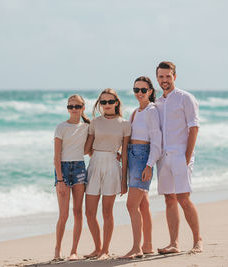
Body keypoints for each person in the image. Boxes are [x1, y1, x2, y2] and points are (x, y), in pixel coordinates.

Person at [155, 61, 203, 254]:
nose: (164, 80)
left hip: (181, 155)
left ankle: (197, 240)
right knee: (169, 199)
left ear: (174, 76)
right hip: (163, 157)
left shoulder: (186, 98)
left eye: (168, 76)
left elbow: (194, 128)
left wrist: (186, 157)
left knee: (183, 198)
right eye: (161, 76)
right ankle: (174, 243)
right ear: (157, 78)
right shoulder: (157, 102)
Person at [84, 88, 131, 260]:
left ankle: (105, 250)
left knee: (107, 212)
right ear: (100, 104)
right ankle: (97, 248)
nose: (107, 105)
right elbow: (87, 149)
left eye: (110, 101)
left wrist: (124, 179)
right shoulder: (95, 123)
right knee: (89, 212)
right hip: (94, 164)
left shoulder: (125, 124)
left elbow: (124, 153)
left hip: (112, 165)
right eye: (103, 102)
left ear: (117, 102)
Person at [121, 76, 162, 259]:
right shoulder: (136, 112)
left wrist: (149, 165)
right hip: (132, 156)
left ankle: (136, 247)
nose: (139, 93)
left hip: (143, 157)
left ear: (150, 92)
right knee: (143, 205)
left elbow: (156, 140)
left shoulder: (152, 111)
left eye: (143, 90)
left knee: (131, 205)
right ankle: (147, 245)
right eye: (136, 89)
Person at [53, 94, 90, 260]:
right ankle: (57, 250)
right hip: (63, 168)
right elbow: (56, 156)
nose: (73, 109)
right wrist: (60, 180)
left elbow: (91, 148)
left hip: (80, 168)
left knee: (77, 211)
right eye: (70, 106)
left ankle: (74, 251)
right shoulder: (61, 127)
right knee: (63, 214)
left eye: (76, 106)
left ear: (82, 108)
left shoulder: (87, 127)